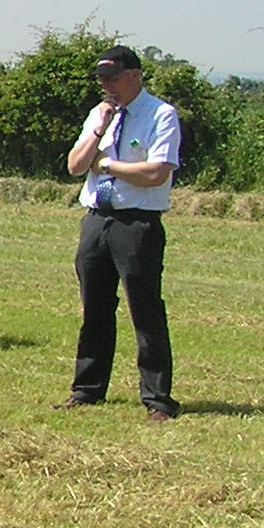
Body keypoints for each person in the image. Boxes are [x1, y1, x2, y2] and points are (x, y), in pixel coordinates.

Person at [57, 44, 182, 421]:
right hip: (97, 220)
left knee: (145, 310)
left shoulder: (161, 115)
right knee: (94, 308)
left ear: (134, 76)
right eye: (102, 79)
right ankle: (87, 389)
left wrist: (108, 164)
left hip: (137, 223)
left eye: (113, 78)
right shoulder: (99, 114)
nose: (106, 85)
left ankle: (157, 398)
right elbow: (76, 167)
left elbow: (156, 172)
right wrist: (99, 129)